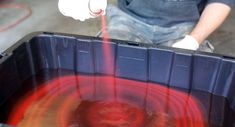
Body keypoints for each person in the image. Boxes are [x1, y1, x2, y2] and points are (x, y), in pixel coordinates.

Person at [58, 0, 234, 52]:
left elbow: (221, 1)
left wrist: (194, 40)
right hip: (129, 18)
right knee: (100, 61)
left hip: (184, 26)